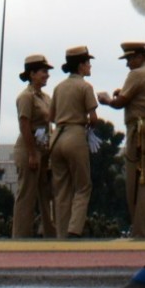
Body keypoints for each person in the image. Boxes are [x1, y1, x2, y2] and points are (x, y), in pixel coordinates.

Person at [98, 42, 145, 238]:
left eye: (129, 59)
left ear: (139, 56)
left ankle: (142, 231)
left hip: (141, 130)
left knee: (139, 181)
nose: (128, 64)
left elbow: (120, 103)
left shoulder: (137, 74)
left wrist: (106, 99)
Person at [49, 46, 98, 238]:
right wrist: (86, 127)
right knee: (83, 186)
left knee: (61, 189)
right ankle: (74, 228)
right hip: (75, 134)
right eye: (87, 63)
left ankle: (61, 233)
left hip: (57, 136)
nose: (90, 66)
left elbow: (51, 116)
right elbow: (93, 118)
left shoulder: (59, 87)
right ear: (80, 65)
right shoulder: (85, 87)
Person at [12, 55, 56, 238]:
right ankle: (20, 236)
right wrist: (31, 154)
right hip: (29, 148)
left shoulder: (45, 97)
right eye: (43, 72)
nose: (46, 75)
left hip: (43, 148)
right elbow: (24, 125)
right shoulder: (26, 97)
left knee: (46, 195)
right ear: (32, 74)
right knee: (27, 195)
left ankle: (49, 233)